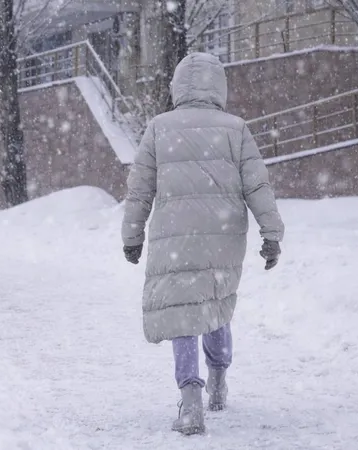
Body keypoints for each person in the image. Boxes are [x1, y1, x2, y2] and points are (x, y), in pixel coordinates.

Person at [121, 52, 285, 435]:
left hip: (174, 235)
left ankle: (190, 400)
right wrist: (271, 233)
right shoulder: (236, 128)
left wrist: (132, 236)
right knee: (215, 304)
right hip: (223, 236)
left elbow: (139, 190)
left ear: (178, 87)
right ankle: (218, 382)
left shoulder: (159, 127)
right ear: (219, 86)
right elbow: (257, 184)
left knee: (183, 312)